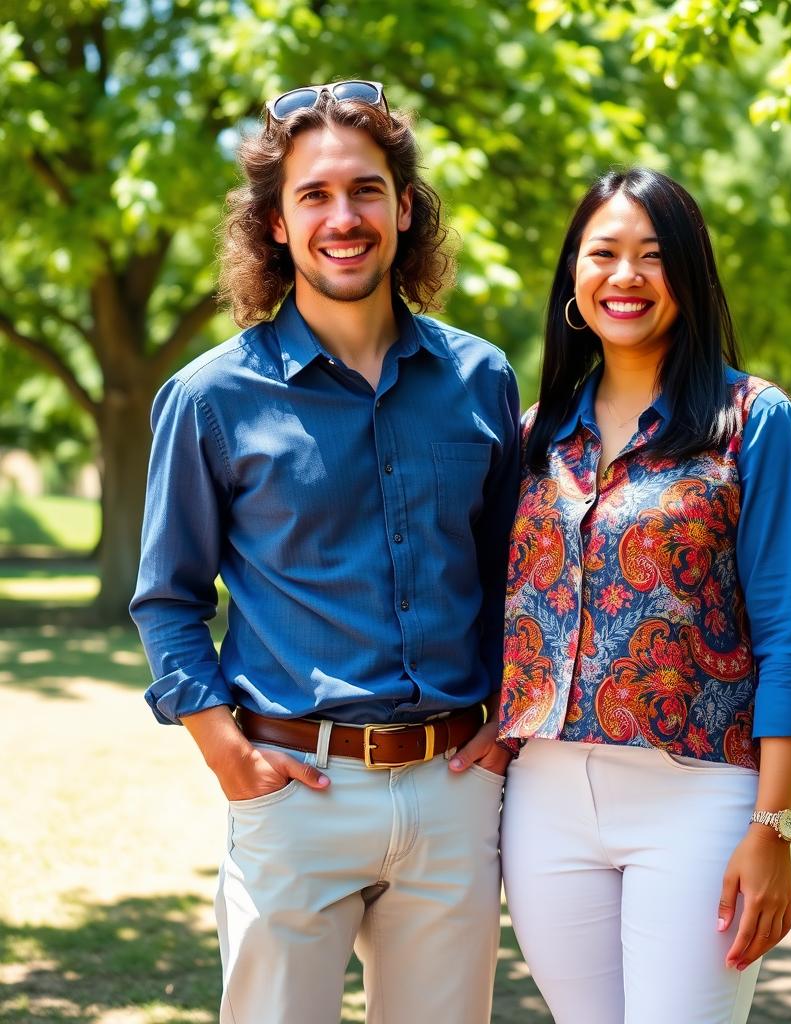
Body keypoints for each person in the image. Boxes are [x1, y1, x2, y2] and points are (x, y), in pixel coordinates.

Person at [130, 80, 519, 1024]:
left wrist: (506, 729)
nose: (343, 218)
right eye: (314, 195)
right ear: (274, 223)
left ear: (404, 208)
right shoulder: (209, 398)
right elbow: (168, 599)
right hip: (293, 787)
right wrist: (228, 755)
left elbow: (518, 579)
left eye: (366, 191)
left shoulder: (481, 378)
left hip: (454, 792)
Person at [497, 168, 791, 1024]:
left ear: (689, 276)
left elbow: (790, 639)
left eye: (653, 256)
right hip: (545, 802)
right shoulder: (535, 434)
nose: (626, 276)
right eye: (603, 254)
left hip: (701, 799)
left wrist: (775, 829)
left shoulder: (753, 422)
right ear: (573, 277)